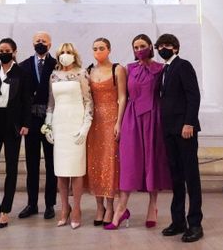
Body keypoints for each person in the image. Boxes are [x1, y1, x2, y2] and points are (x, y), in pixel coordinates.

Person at [105, 34, 171, 230]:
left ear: (150, 46)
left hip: (154, 118)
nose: (139, 49)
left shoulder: (161, 69)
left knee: (152, 162)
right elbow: (122, 97)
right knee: (129, 163)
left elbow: (165, 95)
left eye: (142, 45)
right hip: (132, 119)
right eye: (136, 46)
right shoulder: (129, 69)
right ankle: (121, 209)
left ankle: (153, 207)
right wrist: (118, 122)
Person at [154, 33, 203, 243]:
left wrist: (189, 123)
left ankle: (195, 224)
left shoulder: (183, 65)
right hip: (169, 130)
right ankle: (178, 221)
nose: (163, 49)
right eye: (160, 46)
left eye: (167, 45)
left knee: (191, 177)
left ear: (175, 48)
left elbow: (194, 95)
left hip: (185, 130)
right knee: (176, 177)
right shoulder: (164, 69)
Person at [0, 38, 31, 228]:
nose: (3, 52)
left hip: (13, 124)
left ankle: (5, 209)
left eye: (7, 50)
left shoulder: (22, 73)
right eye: (1, 49)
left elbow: (27, 100)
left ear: (14, 52)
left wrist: (25, 123)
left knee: (11, 167)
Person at [43, 42, 93, 229]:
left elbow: (88, 101)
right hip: (59, 125)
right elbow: (50, 104)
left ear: (74, 54)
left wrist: (85, 127)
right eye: (62, 52)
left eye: (69, 52)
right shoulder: (54, 75)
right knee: (61, 171)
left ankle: (77, 208)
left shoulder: (82, 73)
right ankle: (65, 208)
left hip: (76, 123)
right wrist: (48, 127)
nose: (65, 55)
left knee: (76, 170)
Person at [86, 38, 126, 226]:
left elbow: (123, 96)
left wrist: (119, 122)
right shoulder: (88, 70)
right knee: (95, 162)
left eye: (101, 48)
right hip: (94, 122)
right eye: (95, 49)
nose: (98, 51)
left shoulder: (117, 69)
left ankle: (110, 206)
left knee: (110, 163)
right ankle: (99, 206)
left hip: (111, 120)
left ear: (109, 49)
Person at [18, 32, 57, 220]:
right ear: (33, 43)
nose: (40, 43)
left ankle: (50, 204)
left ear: (50, 44)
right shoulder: (24, 65)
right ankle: (31, 203)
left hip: (51, 119)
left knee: (51, 163)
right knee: (31, 164)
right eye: (37, 41)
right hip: (31, 120)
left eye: (43, 41)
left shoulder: (56, 65)